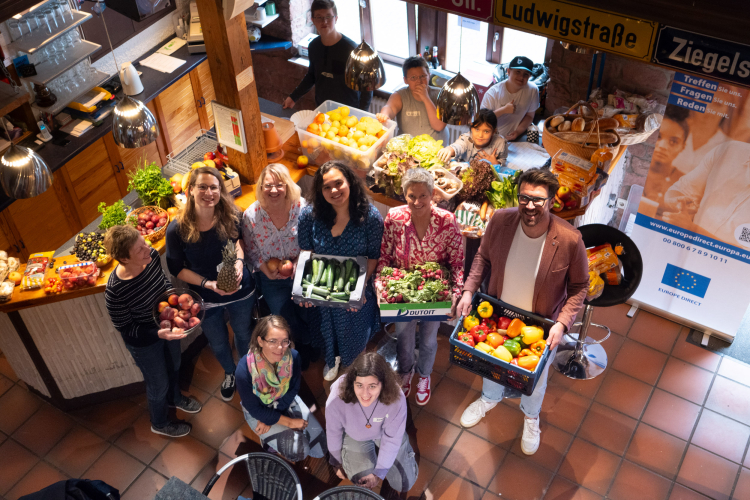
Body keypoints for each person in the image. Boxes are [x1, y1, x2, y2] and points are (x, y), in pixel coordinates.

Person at [457, 168, 588, 455]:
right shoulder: (501, 221)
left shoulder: (569, 239)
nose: (530, 205)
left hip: (541, 325)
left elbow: (580, 287)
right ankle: (490, 398)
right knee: (491, 361)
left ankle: (531, 417)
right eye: (524, 197)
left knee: (535, 380)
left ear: (551, 201)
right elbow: (483, 257)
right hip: (497, 314)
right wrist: (469, 290)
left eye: (538, 199)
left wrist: (562, 325)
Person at [166, 166, 255, 402]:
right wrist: (208, 284)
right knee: (217, 340)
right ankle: (230, 372)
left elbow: (239, 243)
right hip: (205, 296)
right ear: (190, 190)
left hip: (240, 290)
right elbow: (177, 268)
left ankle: (246, 371)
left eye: (214, 187)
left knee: (244, 333)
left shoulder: (232, 214)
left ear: (220, 191)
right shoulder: (177, 229)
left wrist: (238, 263)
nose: (208, 192)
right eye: (202, 187)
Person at [376, 168, 464, 405]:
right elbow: (384, 256)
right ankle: (406, 372)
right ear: (404, 195)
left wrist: (455, 295)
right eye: (411, 196)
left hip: (435, 294)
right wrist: (379, 286)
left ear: (433, 194)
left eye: (423, 195)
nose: (417, 201)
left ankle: (424, 375)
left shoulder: (447, 221)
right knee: (403, 336)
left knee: (428, 339)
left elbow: (456, 263)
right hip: (402, 293)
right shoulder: (394, 218)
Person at [105, 225, 202, 438]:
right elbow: (127, 329)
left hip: (167, 325)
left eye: (144, 243)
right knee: (158, 384)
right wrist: (158, 333)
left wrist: (177, 307)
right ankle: (158, 423)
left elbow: (163, 285)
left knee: (175, 365)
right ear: (124, 259)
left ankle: (175, 399)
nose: (147, 249)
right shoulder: (115, 290)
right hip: (145, 342)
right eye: (139, 249)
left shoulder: (151, 259)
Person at [298, 161, 384, 381]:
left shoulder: (370, 217)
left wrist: (360, 288)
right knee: (326, 329)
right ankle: (332, 359)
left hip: (356, 285)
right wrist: (303, 286)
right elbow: (306, 250)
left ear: (350, 182)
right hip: (323, 285)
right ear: (320, 190)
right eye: (327, 187)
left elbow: (373, 257)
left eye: (338, 183)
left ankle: (354, 369)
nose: (334, 190)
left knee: (354, 333)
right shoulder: (309, 215)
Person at [241, 164, 315, 367]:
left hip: (301, 270)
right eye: (268, 185)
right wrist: (265, 270)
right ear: (261, 188)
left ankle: (308, 342)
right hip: (271, 277)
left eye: (279, 185)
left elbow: (312, 239)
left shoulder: (301, 207)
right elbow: (250, 250)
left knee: (307, 310)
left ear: (288, 186)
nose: (274, 190)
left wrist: (300, 262)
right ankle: (294, 350)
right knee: (281, 315)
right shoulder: (251, 215)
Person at [235, 315, 327, 461]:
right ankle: (267, 441)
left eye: (285, 341)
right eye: (273, 341)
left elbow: (293, 389)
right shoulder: (244, 370)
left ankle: (276, 431)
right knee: (299, 452)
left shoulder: (294, 357)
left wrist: (272, 417)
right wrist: (288, 422)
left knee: (321, 449)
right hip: (258, 412)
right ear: (260, 340)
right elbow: (255, 409)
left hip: (283, 401)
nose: (280, 348)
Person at [326, 352, 418, 493]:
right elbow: (333, 431)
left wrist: (379, 472)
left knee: (404, 485)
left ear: (383, 384)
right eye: (359, 385)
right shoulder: (337, 397)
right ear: (352, 382)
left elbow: (392, 439)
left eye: (372, 386)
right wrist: (336, 461)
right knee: (362, 480)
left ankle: (395, 449)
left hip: (385, 433)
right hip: (353, 434)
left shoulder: (396, 398)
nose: (365, 394)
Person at [283, 0, 372, 111]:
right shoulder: (313, 46)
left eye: (328, 16)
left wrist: (362, 114)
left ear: (336, 18)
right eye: (319, 17)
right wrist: (293, 97)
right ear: (312, 21)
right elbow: (312, 76)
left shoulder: (352, 50)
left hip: (348, 112)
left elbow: (366, 88)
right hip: (322, 109)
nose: (324, 21)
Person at [663, 140, 750, 245]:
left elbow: (745, 254)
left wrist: (691, 229)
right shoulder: (729, 150)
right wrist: (679, 205)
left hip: (725, 260)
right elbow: (681, 189)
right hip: (680, 246)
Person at [375, 56, 448, 144]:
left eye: (423, 76)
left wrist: (425, 98)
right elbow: (389, 107)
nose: (419, 81)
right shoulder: (400, 95)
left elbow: (438, 126)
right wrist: (384, 115)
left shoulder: (440, 95)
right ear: (405, 80)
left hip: (437, 151)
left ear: (429, 75)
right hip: (407, 151)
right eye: (413, 78)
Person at [480, 55, 539, 140]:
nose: (521, 77)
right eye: (518, 72)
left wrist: (518, 132)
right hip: (489, 139)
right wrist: (503, 110)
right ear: (508, 71)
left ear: (529, 77)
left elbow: (530, 116)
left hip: (513, 140)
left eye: (525, 74)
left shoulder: (533, 90)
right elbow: (482, 121)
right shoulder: (492, 93)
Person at [642, 107, 690, 209]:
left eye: (673, 142)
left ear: (683, 147)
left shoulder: (685, 185)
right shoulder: (635, 167)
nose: (663, 146)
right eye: (658, 137)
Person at [436, 109, 506, 164]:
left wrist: (495, 163)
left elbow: (502, 160)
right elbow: (458, 146)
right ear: (471, 128)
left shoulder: (500, 143)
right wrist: (448, 149)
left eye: (486, 131)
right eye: (477, 129)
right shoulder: (467, 139)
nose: (480, 135)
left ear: (494, 131)